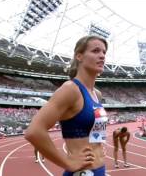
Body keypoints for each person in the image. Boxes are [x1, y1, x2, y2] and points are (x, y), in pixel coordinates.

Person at [25, 35, 108, 176]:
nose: (102, 56)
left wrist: (98, 146)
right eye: (95, 51)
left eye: (104, 52)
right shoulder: (71, 89)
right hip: (82, 172)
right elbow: (34, 131)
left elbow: (91, 128)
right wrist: (67, 163)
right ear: (79, 56)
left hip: (100, 169)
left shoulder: (97, 94)